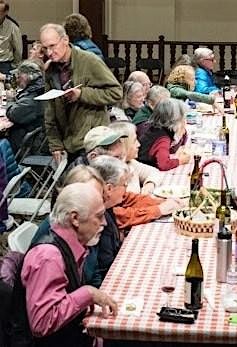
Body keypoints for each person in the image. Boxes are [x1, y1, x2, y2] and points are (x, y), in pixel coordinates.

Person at [20, 182, 118, 346]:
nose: (105, 223)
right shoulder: (48, 257)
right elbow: (42, 323)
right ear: (75, 219)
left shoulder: (74, 245)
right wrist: (88, 294)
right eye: (99, 216)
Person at [40, 23, 122, 164]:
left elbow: (116, 92)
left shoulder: (89, 61)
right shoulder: (50, 70)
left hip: (92, 141)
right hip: (67, 141)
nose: (49, 52)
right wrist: (55, 144)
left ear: (65, 40)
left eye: (52, 46)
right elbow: (49, 112)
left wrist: (82, 94)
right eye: (45, 48)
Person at [137, 98, 191, 171]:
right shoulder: (162, 139)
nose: (185, 120)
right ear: (175, 120)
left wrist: (181, 132)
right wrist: (180, 161)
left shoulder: (158, 128)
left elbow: (172, 149)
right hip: (144, 170)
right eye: (182, 118)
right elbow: (164, 164)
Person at [109, 121, 161, 194]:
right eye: (134, 141)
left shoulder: (130, 163)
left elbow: (154, 172)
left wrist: (149, 184)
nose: (138, 144)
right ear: (123, 145)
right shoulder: (112, 174)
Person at [6, 60, 45, 153]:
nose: (17, 80)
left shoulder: (33, 97)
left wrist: (11, 101)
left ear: (25, 76)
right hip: (31, 137)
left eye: (19, 76)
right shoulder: (38, 88)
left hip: (27, 144)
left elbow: (14, 114)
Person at [0, 1, 22, 74]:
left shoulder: (13, 27)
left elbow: (18, 49)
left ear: (6, 12)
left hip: (4, 64)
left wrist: (15, 66)